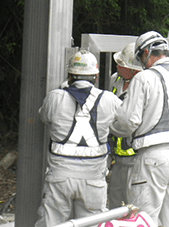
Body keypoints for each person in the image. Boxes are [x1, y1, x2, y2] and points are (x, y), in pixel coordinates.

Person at [111, 31, 169, 227]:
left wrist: (111, 127)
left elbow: (127, 122)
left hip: (154, 155)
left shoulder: (144, 78)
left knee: (143, 219)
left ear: (146, 53)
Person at [36, 49, 122, 227]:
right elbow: (127, 122)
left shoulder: (55, 97)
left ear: (69, 75)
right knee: (91, 224)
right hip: (93, 179)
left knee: (52, 223)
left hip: (60, 177)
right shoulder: (109, 100)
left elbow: (43, 117)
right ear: (96, 77)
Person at [107, 42, 143, 209]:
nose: (117, 66)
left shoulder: (144, 85)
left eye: (121, 64)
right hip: (117, 153)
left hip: (135, 155)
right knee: (115, 197)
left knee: (133, 201)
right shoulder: (115, 80)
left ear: (132, 69)